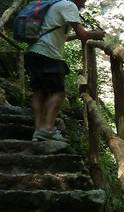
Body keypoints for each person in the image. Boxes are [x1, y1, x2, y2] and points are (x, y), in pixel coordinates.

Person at [24, 0, 105, 142]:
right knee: (58, 93)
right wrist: (98, 34)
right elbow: (83, 34)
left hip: (34, 52)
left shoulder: (55, 5)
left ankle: (39, 130)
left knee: (39, 93)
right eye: (83, 1)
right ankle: (48, 129)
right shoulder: (69, 5)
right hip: (48, 54)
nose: (83, 5)